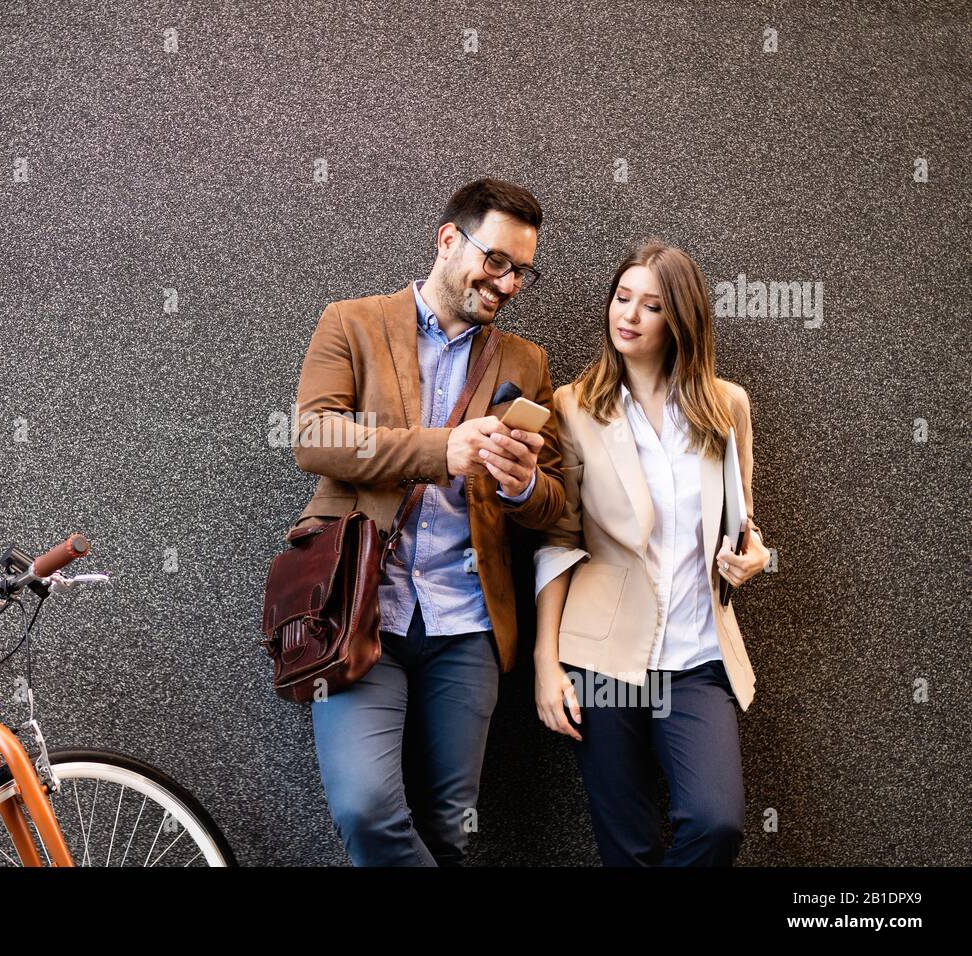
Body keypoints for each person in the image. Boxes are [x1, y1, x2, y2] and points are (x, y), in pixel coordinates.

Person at [290, 178, 565, 865]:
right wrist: (442, 449)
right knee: (366, 809)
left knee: (451, 832)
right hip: (359, 611)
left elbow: (558, 503)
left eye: (521, 272)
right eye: (496, 261)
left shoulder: (526, 361)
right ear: (448, 240)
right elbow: (314, 438)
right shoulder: (351, 322)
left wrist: (519, 481)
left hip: (466, 626)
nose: (506, 284)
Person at [533, 238, 772, 866]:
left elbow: (743, 524)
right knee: (627, 844)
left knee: (716, 823)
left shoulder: (727, 408)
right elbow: (559, 539)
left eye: (652, 305)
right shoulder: (573, 407)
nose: (629, 315)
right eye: (622, 298)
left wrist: (752, 557)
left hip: (697, 655)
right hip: (603, 657)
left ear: (682, 320)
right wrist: (545, 662)